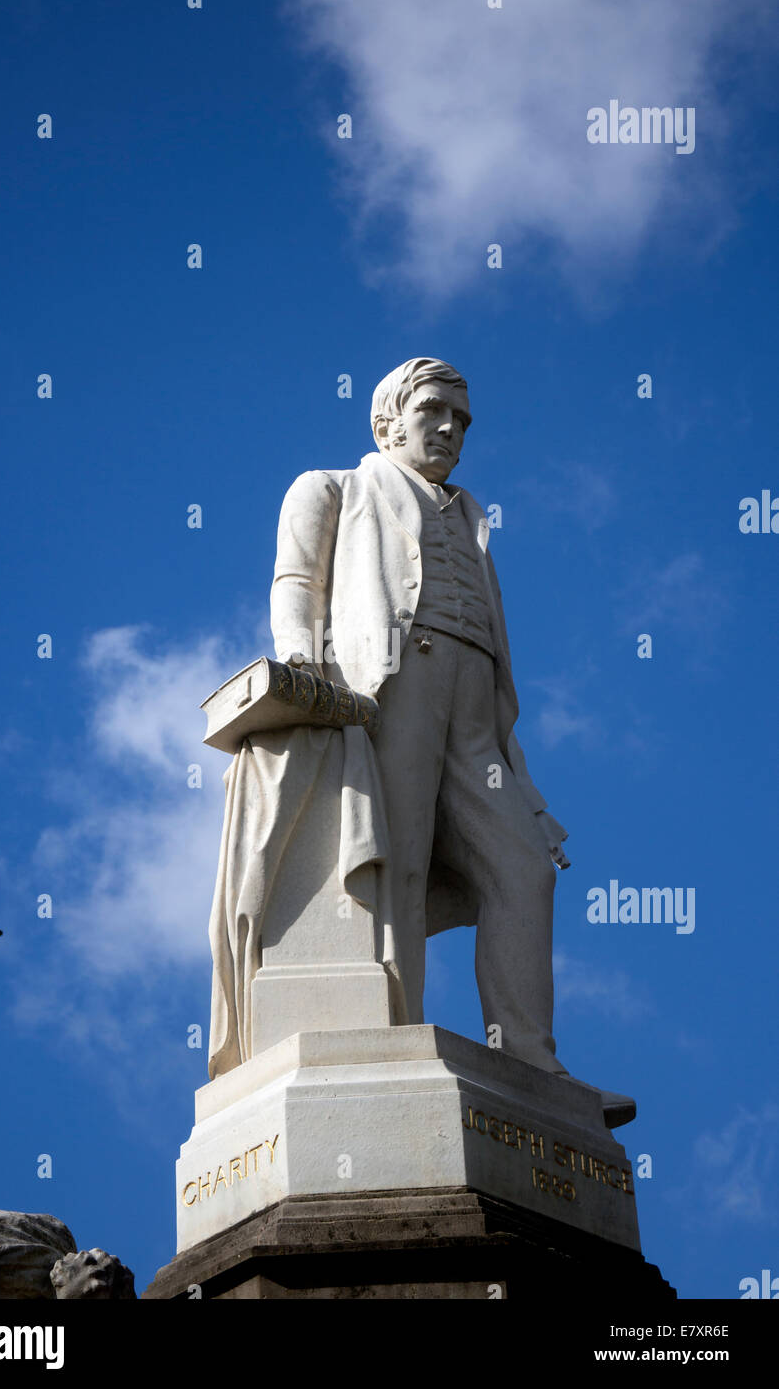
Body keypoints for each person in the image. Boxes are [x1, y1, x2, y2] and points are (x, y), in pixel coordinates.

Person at [269, 357, 633, 1122]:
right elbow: (297, 583)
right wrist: (303, 664)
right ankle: (390, 1035)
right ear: (386, 421)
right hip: (392, 687)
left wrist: (522, 776)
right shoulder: (333, 488)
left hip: (475, 714)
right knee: (395, 864)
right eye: (432, 410)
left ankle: (529, 1059)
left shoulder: (472, 518)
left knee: (525, 869)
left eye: (461, 419)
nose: (449, 428)